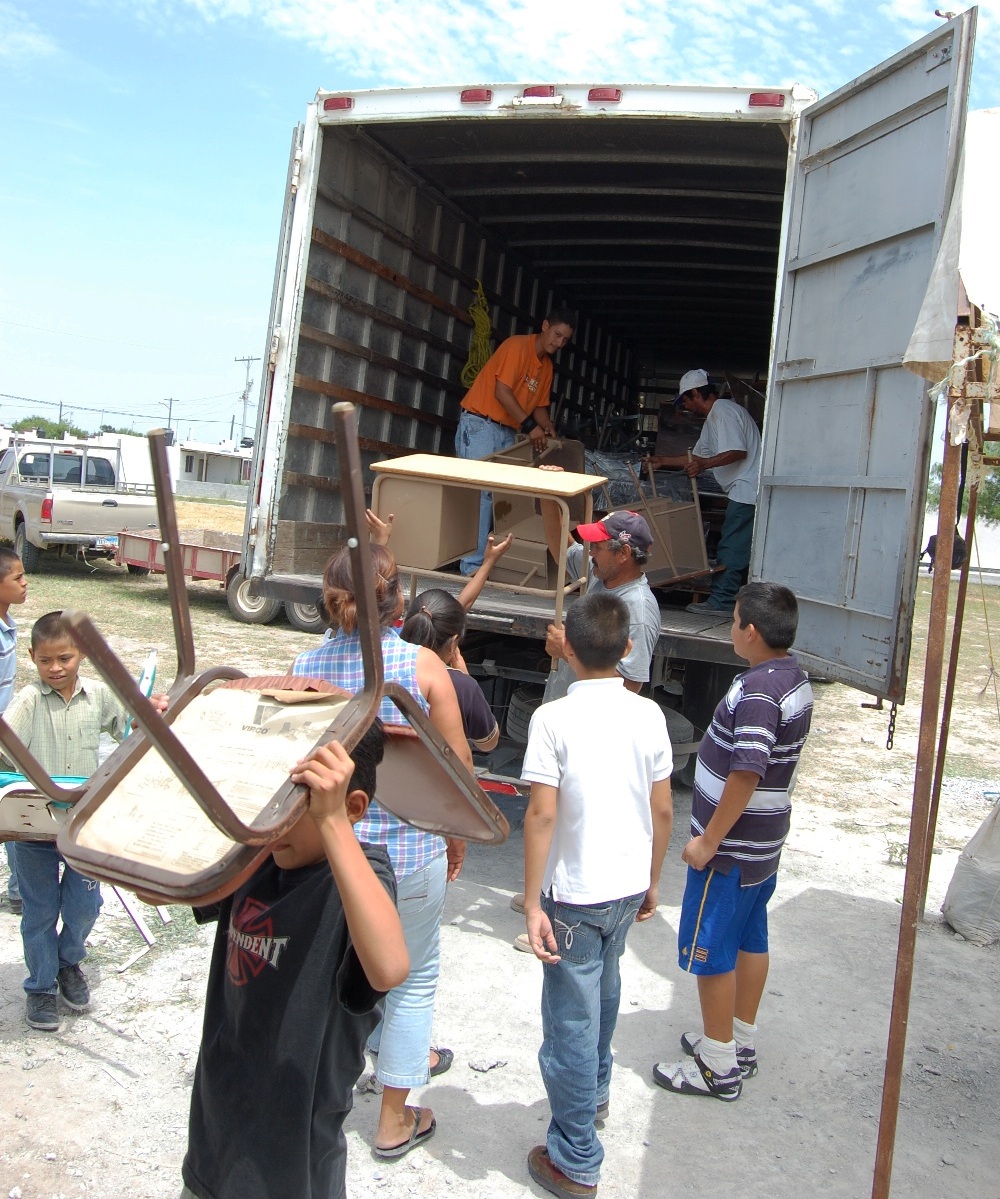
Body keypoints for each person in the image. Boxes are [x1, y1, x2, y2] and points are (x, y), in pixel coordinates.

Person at [292, 543, 474, 1159]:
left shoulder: (306, 665)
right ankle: (395, 1120)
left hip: (332, 857)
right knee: (413, 979)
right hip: (408, 854)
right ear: (397, 600)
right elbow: (457, 774)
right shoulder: (425, 669)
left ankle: (319, 1094)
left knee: (328, 977)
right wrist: (456, 840)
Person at [180, 728, 410, 1199]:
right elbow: (157, 883)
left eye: (295, 807)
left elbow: (388, 967)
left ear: (352, 808)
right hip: (214, 1135)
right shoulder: (254, 857)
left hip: (292, 1163)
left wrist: (331, 821)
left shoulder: (360, 880)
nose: (275, 824)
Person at [520, 592, 674, 1199]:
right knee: (605, 992)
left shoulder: (553, 718)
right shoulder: (650, 715)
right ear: (628, 649)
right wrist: (653, 879)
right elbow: (663, 807)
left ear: (568, 649)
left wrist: (533, 903)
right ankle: (598, 1094)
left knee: (570, 1021)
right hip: (627, 886)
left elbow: (540, 816)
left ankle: (576, 1155)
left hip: (575, 895)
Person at [652, 582, 813, 1102]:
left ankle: (717, 1065)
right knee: (750, 939)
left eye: (735, 620)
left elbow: (747, 771)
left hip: (730, 850)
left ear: (752, 631)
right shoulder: (793, 678)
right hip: (762, 847)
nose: (730, 628)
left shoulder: (759, 693)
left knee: (710, 950)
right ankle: (739, 1038)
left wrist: (707, 842)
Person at [3, 610, 128, 1031]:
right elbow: (6, 746)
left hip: (81, 827)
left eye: (65, 659)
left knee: (85, 905)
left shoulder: (100, 696)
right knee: (39, 911)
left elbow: (131, 730)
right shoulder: (27, 701)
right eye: (45, 661)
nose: (55, 669)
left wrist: (150, 715)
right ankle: (39, 988)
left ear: (82, 656)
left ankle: (68, 962)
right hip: (34, 829)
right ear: (32, 658)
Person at [455, 307, 575, 575]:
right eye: (557, 335)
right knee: (481, 494)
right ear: (544, 326)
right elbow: (502, 392)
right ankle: (470, 567)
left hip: (506, 430)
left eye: (565, 340)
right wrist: (531, 426)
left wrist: (546, 425)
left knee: (500, 499)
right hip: (480, 424)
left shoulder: (546, 367)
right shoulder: (516, 347)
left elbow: (539, 406)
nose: (559, 343)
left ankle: (483, 563)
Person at [646, 369, 761, 615]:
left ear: (696, 393)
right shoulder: (714, 418)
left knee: (732, 546)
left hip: (746, 488)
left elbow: (737, 451)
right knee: (735, 544)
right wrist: (662, 460)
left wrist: (705, 465)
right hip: (741, 489)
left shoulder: (724, 412)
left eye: (686, 399)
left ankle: (723, 601)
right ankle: (728, 599)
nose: (685, 406)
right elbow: (697, 456)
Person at [0, 547, 28, 916]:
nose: (25, 582)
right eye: (17, 578)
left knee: (13, 805)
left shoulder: (7, 623)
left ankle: (19, 889)